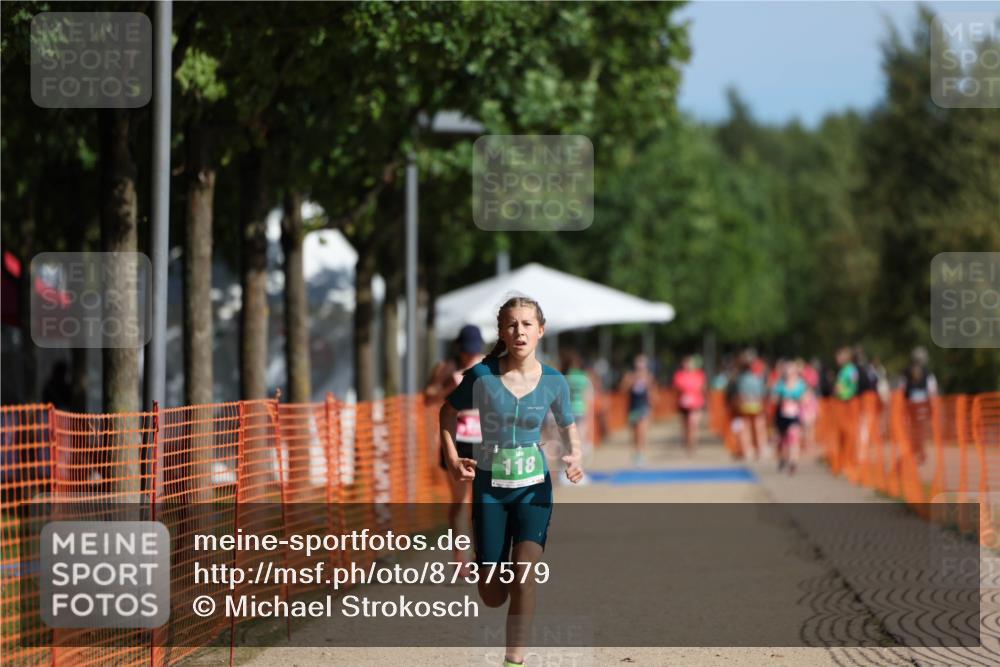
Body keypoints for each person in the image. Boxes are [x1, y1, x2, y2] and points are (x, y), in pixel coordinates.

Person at [439, 297, 583, 667]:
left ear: (540, 330)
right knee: (491, 595)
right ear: (502, 332)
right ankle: (488, 562)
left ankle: (513, 661)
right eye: (512, 324)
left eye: (527, 324)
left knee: (524, 576)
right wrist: (453, 459)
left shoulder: (554, 381)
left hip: (534, 489)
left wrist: (575, 455)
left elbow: (567, 423)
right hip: (490, 491)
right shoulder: (482, 376)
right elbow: (447, 412)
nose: (519, 331)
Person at [425, 324, 485, 571]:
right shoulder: (447, 368)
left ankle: (483, 552)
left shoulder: (490, 366)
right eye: (466, 351)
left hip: (484, 440)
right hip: (456, 440)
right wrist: (448, 386)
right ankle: (461, 556)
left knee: (483, 500)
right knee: (460, 500)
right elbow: (428, 396)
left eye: (474, 351)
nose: (470, 355)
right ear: (459, 348)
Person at [770, 360, 810, 474]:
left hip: (795, 415)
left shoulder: (801, 385)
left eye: (791, 371)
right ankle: (782, 458)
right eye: (787, 371)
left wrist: (796, 400)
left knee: (793, 437)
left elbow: (806, 399)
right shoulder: (780, 384)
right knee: (782, 439)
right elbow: (773, 399)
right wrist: (781, 399)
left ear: (795, 372)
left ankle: (793, 462)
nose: (789, 374)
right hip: (781, 416)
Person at [619, 354, 657, 466]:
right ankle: (637, 452)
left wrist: (652, 407)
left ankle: (641, 453)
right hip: (633, 407)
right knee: (635, 432)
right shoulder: (630, 376)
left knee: (642, 431)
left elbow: (653, 393)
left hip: (644, 407)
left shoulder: (649, 376)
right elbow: (622, 389)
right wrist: (630, 381)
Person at [903, 346, 938, 465]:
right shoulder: (926, 374)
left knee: (917, 429)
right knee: (919, 429)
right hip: (918, 405)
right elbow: (932, 390)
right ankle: (918, 451)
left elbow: (903, 388)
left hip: (915, 404)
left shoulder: (909, 372)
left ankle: (918, 451)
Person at [734, 351, 768, 461]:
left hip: (744, 405)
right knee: (759, 428)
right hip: (756, 405)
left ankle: (746, 450)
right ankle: (760, 450)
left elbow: (738, 394)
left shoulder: (740, 379)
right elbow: (762, 393)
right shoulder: (757, 378)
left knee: (745, 428)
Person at [672, 355, 706, 456]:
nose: (688, 365)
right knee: (686, 425)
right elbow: (676, 388)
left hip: (696, 404)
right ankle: (687, 443)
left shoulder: (699, 374)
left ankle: (692, 445)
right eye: (686, 363)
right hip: (683, 404)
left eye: (690, 363)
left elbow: (703, 388)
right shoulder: (679, 375)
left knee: (693, 424)